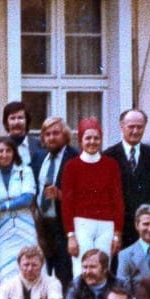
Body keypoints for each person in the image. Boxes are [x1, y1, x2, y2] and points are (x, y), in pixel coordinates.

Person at [60, 117, 124, 278]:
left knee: (103, 268)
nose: (92, 142)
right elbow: (67, 203)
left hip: (106, 225)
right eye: (88, 138)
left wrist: (117, 233)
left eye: (96, 138)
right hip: (82, 224)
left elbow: (117, 200)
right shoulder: (72, 166)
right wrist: (70, 235)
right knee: (81, 269)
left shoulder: (111, 165)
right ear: (81, 140)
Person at [104, 108, 150, 247]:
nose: (135, 131)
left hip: (147, 229)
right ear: (122, 126)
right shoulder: (109, 156)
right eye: (131, 126)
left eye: (140, 127)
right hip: (119, 230)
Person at [30, 116, 79, 286]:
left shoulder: (75, 158)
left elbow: (83, 196)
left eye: (56, 133)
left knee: (63, 275)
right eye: (47, 134)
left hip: (64, 226)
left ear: (65, 135)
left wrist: (61, 195)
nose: (51, 137)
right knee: (42, 274)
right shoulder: (39, 157)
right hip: (42, 225)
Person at [0, 135, 38, 283]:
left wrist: (0, 207)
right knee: (4, 268)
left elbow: (27, 198)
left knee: (30, 264)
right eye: (0, 151)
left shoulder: (25, 171)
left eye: (8, 150)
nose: (4, 154)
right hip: (3, 228)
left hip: (25, 225)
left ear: (14, 152)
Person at [2, 100, 41, 166]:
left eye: (20, 118)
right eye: (12, 118)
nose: (16, 122)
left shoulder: (39, 145)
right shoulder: (0, 146)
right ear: (6, 122)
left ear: (27, 120)